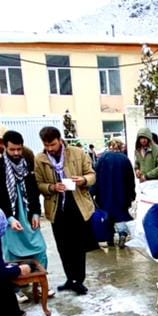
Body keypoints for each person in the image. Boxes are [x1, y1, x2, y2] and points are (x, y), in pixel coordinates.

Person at [34, 126, 98, 294]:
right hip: (56, 208)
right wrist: (52, 187)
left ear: (60, 140)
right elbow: (38, 184)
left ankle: (79, 279)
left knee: (78, 247)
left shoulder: (77, 153)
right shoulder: (40, 159)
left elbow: (92, 175)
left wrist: (83, 180)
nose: (50, 149)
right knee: (63, 247)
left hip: (78, 205)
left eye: (53, 145)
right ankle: (70, 278)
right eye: (46, 145)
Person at [0, 130, 48, 269]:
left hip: (28, 215)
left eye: (19, 149)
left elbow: (34, 191)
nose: (16, 153)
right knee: (12, 253)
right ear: (5, 148)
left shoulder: (28, 165)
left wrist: (36, 212)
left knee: (40, 248)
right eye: (12, 149)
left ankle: (41, 284)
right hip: (9, 217)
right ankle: (16, 285)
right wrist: (9, 218)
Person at [94, 137, 136, 247]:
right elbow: (130, 178)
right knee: (121, 214)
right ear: (121, 146)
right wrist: (132, 194)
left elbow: (95, 176)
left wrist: (93, 192)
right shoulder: (125, 159)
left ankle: (110, 239)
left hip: (104, 193)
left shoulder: (102, 159)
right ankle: (122, 234)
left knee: (108, 216)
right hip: (122, 194)